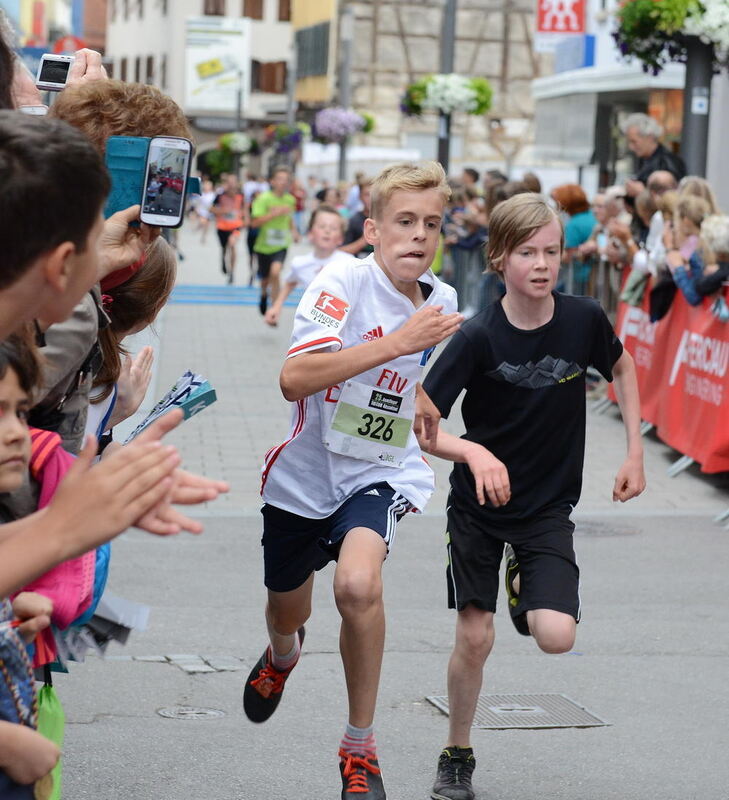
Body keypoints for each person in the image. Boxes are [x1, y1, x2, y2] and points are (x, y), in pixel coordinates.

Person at [243, 162, 462, 799]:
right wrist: (399, 346)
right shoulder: (340, 276)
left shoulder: (441, 301)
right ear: (372, 229)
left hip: (379, 468)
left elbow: (405, 366)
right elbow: (296, 379)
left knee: (358, 587)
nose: (419, 236)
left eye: (432, 225)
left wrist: (417, 389)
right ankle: (284, 654)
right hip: (305, 475)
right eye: (404, 222)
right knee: (288, 608)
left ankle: (359, 745)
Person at [420, 193, 645, 800]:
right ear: (498, 258)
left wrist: (634, 452)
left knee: (556, 636)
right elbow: (422, 424)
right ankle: (458, 753)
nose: (542, 264)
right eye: (527, 252)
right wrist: (473, 451)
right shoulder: (475, 337)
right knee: (475, 635)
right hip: (478, 509)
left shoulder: (584, 319)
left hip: (546, 508)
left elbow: (622, 370)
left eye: (552, 252)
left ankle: (524, 577)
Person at [0, 111, 227, 598]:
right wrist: (66, 524)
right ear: (64, 262)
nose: (18, 431)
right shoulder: (74, 320)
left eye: (18, 411)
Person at [264, 205, 348, 327]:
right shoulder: (300, 263)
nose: (327, 231)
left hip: (342, 327)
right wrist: (277, 306)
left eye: (333, 228)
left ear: (340, 239)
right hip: (311, 325)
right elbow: (290, 282)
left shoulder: (348, 263)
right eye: (322, 226)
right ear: (310, 234)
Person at [251, 166, 299, 316]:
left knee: (276, 272)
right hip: (264, 245)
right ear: (272, 181)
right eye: (280, 179)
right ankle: (264, 294)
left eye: (286, 180)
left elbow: (289, 218)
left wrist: (295, 232)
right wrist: (272, 214)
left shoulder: (290, 199)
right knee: (265, 279)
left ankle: (275, 307)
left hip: (281, 244)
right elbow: (254, 223)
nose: (283, 182)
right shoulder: (263, 198)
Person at [622, 113, 686, 198]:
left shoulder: (667, 161)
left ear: (650, 137)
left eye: (634, 141)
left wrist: (642, 192)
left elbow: (671, 199)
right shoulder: (644, 160)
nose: (631, 147)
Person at [212, 174, 247, 284]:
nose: (232, 184)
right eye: (229, 182)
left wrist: (246, 219)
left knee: (232, 244)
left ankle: (232, 272)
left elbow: (245, 209)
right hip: (222, 226)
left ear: (236, 183)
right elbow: (211, 209)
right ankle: (223, 259)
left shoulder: (241, 196)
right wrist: (222, 211)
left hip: (236, 225)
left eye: (233, 182)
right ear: (226, 184)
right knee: (224, 247)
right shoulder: (220, 196)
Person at [340, 180, 374, 258]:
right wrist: (364, 240)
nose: (371, 198)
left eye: (374, 194)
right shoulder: (354, 220)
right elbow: (341, 251)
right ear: (360, 196)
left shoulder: (387, 219)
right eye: (367, 194)